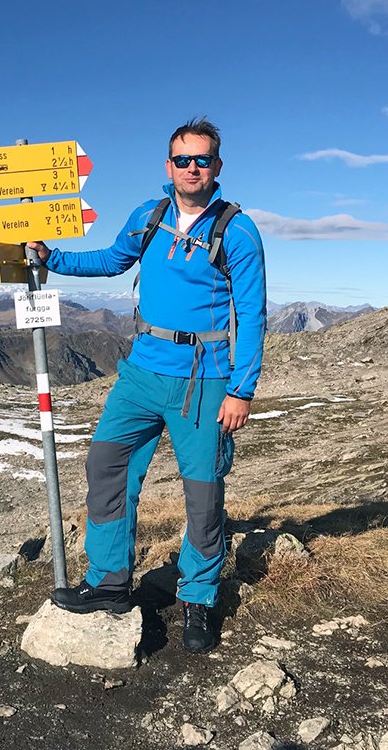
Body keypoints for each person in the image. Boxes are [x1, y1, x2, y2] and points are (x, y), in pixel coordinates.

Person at [26, 116, 266, 654]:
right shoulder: (149, 215)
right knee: (106, 465)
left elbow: (251, 314)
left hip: (204, 380)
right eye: (182, 159)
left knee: (203, 494)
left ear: (217, 167)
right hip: (140, 373)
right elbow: (114, 260)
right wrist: (52, 257)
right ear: (169, 165)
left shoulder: (237, 230)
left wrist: (241, 389)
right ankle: (111, 582)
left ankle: (199, 599)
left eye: (202, 159)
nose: (191, 168)